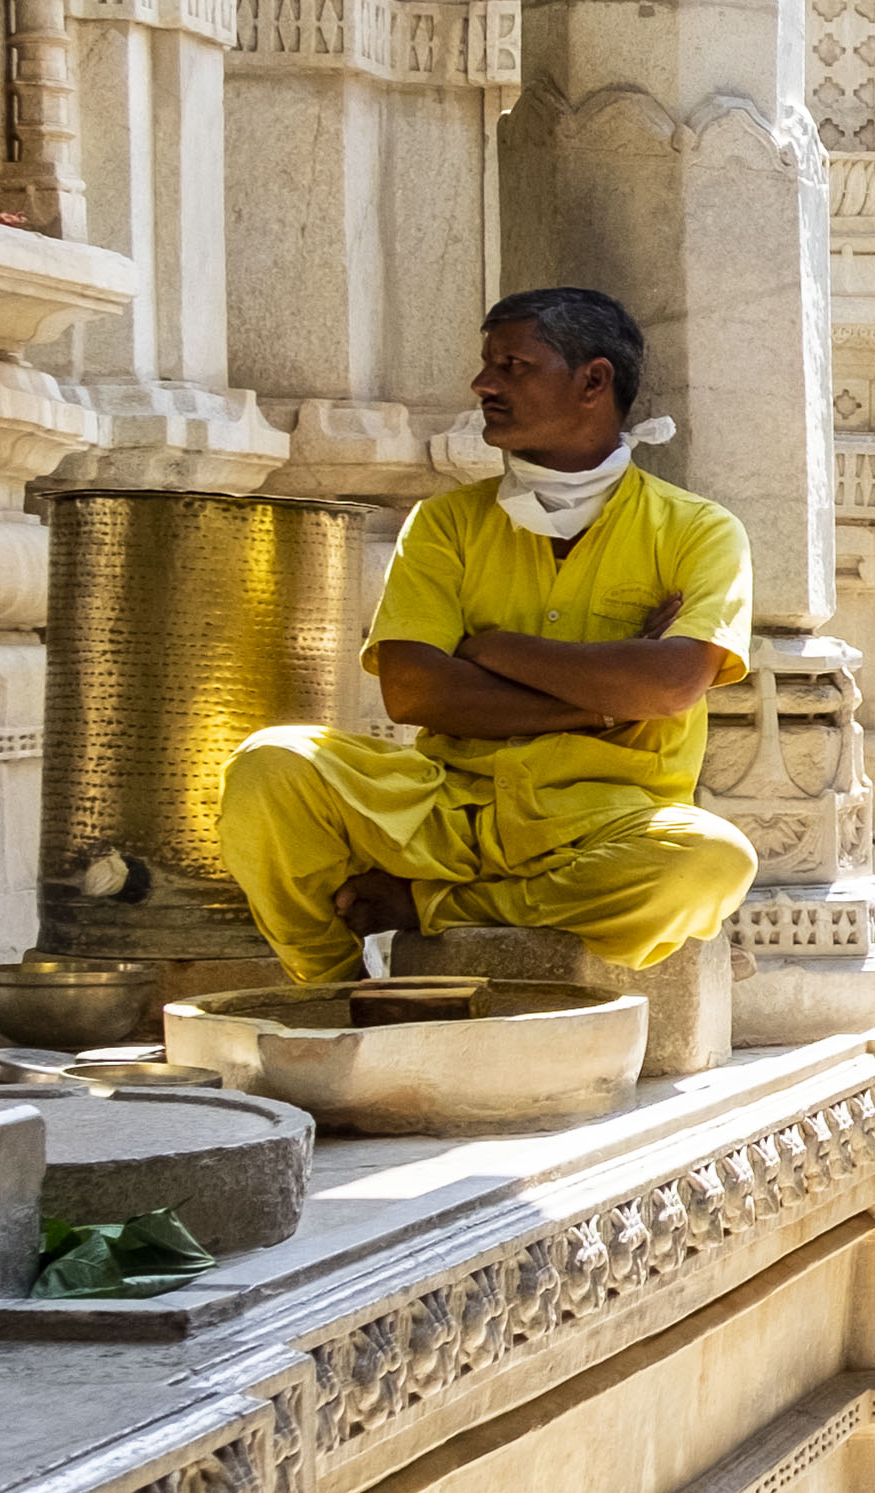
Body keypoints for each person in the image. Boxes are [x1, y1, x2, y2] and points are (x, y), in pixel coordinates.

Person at [218, 289, 762, 987]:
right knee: (271, 765)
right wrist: (607, 701)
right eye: (487, 365)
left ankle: (431, 904)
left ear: (593, 380)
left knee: (711, 861)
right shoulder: (445, 522)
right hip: (441, 804)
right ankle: (332, 987)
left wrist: (493, 648)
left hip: (605, 821)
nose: (483, 385)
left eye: (512, 365)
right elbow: (414, 690)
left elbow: (670, 685)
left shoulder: (698, 530)